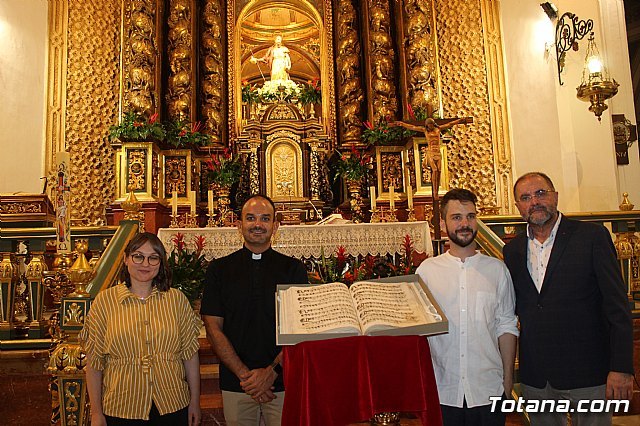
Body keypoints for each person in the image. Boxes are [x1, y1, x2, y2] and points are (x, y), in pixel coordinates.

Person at [503, 172, 634, 425]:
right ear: (518, 206)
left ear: (555, 196)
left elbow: (617, 307)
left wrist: (621, 367)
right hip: (538, 377)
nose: (534, 201)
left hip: (588, 371)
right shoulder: (513, 250)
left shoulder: (591, 237)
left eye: (540, 193)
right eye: (526, 197)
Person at [201, 194, 308, 426]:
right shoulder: (219, 269)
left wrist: (271, 372)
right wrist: (245, 376)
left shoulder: (293, 269)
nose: (257, 224)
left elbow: (300, 328)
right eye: (250, 218)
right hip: (236, 382)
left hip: (282, 381)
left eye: (265, 218)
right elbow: (212, 327)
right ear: (239, 225)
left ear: (275, 226)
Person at [416, 188, 518, 426]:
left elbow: (506, 326)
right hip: (443, 388)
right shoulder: (427, 272)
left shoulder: (497, 270)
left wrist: (508, 380)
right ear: (443, 224)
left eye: (470, 216)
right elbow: (418, 330)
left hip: (488, 388)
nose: (465, 224)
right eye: (457, 217)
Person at [80, 232, 203, 426]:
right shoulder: (105, 301)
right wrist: (96, 413)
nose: (145, 264)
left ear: (160, 263)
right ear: (126, 259)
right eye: (138, 256)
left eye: (153, 258)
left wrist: (195, 402)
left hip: (172, 404)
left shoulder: (176, 300)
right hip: (122, 406)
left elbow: (190, 356)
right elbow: (94, 362)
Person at [393, 117, 468, 198]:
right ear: (427, 125)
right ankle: (435, 192)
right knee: (434, 170)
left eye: (432, 124)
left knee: (439, 170)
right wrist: (402, 124)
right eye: (429, 124)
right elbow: (413, 127)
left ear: (433, 124)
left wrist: (459, 121)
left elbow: (450, 124)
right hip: (431, 152)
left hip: (437, 152)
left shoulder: (438, 129)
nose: (430, 126)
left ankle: (437, 191)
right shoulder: (425, 131)